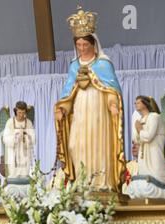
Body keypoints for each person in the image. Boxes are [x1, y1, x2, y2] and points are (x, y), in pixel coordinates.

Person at [54, 7, 125, 193]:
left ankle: (100, 182)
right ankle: (82, 180)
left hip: (98, 110)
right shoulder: (74, 66)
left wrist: (113, 104)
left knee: (98, 145)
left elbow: (112, 89)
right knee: (75, 144)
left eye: (85, 45)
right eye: (79, 45)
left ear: (93, 45)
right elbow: (68, 91)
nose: (82, 48)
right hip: (80, 110)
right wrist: (63, 108)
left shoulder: (103, 64)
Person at [127, 96, 165, 199]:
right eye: (135, 103)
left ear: (145, 104)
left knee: (158, 172)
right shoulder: (141, 119)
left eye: (138, 102)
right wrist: (136, 129)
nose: (136, 104)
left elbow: (149, 136)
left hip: (154, 150)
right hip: (144, 153)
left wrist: (140, 129)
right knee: (145, 178)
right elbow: (136, 139)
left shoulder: (155, 117)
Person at [3, 101, 36, 178]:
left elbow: (33, 139)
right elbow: (5, 138)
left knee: (24, 177)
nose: (21, 115)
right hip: (13, 156)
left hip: (25, 156)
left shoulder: (28, 123)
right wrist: (16, 138)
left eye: (23, 113)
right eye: (19, 112)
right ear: (16, 111)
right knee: (13, 177)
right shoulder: (10, 122)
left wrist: (25, 138)